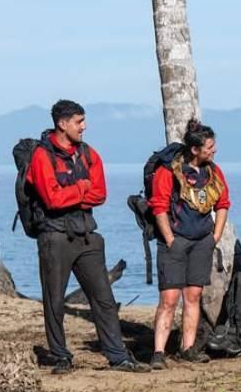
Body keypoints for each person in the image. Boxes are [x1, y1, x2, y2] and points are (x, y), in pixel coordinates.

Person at [26, 99, 150, 374]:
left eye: (83, 121)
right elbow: (51, 200)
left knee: (104, 298)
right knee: (54, 300)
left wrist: (72, 191)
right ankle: (60, 356)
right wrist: (82, 188)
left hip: (87, 236)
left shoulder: (89, 154)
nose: (84, 126)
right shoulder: (41, 156)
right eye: (79, 122)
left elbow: (100, 194)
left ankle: (118, 356)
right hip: (54, 236)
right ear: (62, 123)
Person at [148, 119, 231, 369]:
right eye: (209, 147)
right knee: (169, 298)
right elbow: (159, 207)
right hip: (175, 241)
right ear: (195, 149)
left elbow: (223, 203)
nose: (213, 150)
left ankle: (188, 348)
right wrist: (171, 239)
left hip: (202, 241)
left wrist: (215, 236)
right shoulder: (169, 171)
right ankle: (159, 352)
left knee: (193, 296)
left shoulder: (214, 172)